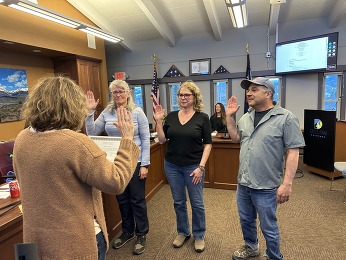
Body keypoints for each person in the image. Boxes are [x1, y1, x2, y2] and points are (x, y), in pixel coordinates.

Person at [13, 75, 140, 260]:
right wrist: (127, 140)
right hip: (76, 241)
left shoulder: (22, 138)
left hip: (38, 239)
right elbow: (116, 181)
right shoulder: (75, 143)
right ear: (72, 106)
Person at [225, 77, 305, 260]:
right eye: (247, 90)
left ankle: (274, 255)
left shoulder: (286, 118)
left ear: (268, 93)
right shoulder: (246, 117)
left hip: (267, 185)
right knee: (246, 220)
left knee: (268, 226)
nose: (248, 93)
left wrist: (287, 184)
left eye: (254, 89)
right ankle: (252, 247)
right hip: (244, 183)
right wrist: (229, 117)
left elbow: (293, 152)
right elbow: (236, 138)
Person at [85, 79, 150, 255]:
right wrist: (90, 113)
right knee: (122, 199)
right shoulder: (107, 111)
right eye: (115, 92)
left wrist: (144, 164)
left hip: (135, 161)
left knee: (137, 199)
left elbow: (145, 140)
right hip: (116, 162)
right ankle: (128, 231)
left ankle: (141, 233)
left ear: (128, 93)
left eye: (122, 91)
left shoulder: (137, 112)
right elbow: (92, 133)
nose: (118, 95)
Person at [154, 80, 212, 253]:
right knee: (178, 202)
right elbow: (163, 140)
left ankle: (199, 235)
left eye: (187, 95)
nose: (183, 98)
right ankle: (183, 232)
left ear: (194, 97)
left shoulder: (202, 117)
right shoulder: (171, 116)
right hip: (172, 166)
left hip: (193, 167)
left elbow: (208, 144)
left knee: (197, 203)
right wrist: (158, 121)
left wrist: (201, 168)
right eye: (180, 95)